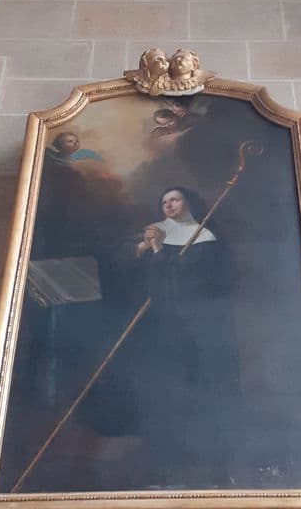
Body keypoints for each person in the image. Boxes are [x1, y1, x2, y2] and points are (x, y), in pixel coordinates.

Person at [83, 186, 240, 487]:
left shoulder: (204, 238)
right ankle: (157, 463)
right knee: (155, 392)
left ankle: (202, 466)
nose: (168, 205)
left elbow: (200, 283)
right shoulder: (153, 232)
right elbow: (120, 266)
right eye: (164, 201)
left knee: (190, 390)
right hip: (153, 328)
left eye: (175, 199)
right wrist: (144, 248)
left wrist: (160, 256)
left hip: (190, 328)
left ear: (188, 202)